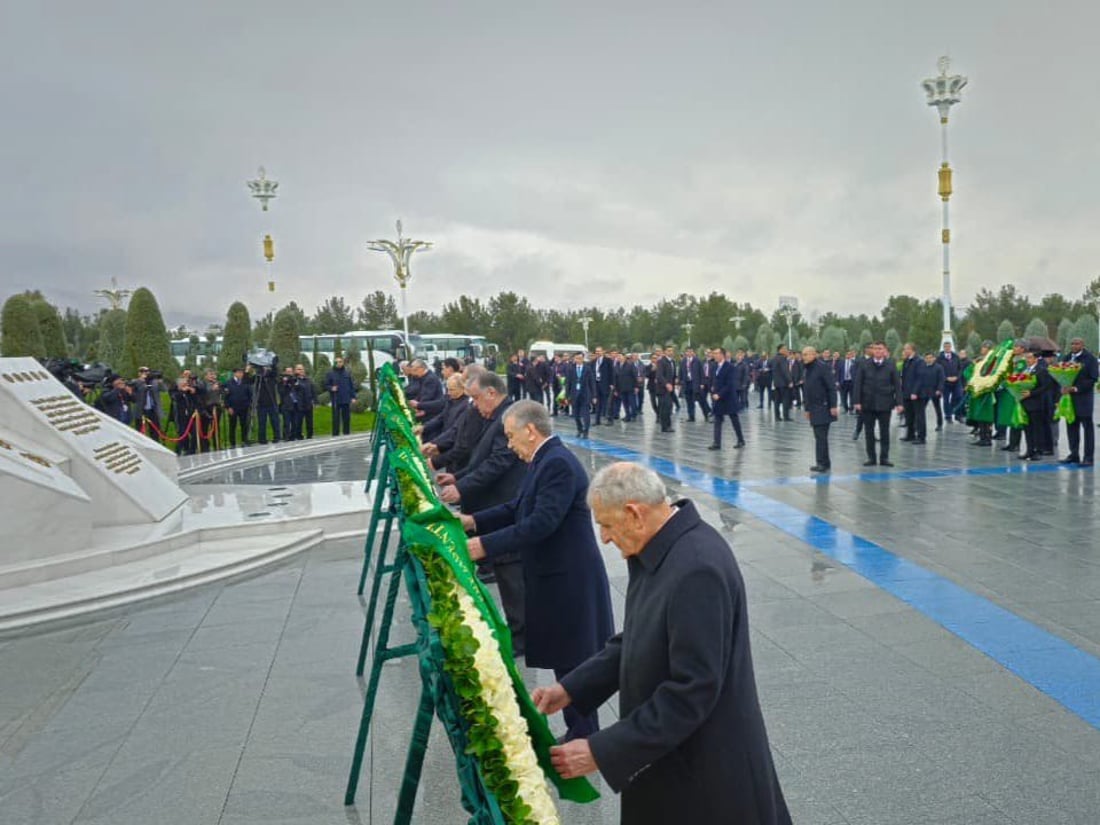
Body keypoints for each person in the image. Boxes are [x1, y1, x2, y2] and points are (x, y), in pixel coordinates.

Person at [534, 463, 791, 825]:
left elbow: (692, 690)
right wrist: (570, 688)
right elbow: (636, 638)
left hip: (705, 771)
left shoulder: (696, 568)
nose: (604, 538)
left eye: (606, 525)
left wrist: (601, 750)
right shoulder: (659, 548)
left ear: (634, 513)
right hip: (669, 753)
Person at [461, 401, 615, 740]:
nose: (510, 444)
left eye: (511, 436)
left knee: (575, 659)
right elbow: (518, 506)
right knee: (566, 657)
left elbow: (540, 523)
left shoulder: (557, 463)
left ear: (530, 431)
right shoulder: (543, 459)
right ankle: (579, 732)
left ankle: (583, 736)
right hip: (556, 577)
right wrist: (473, 521)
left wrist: (484, 546)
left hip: (571, 579)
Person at [436, 371, 527, 650]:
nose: (474, 404)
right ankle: (517, 628)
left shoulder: (507, 418)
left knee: (511, 571)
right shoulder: (494, 415)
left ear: (491, 393)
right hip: (492, 502)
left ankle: (522, 635)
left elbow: (498, 462)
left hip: (502, 500)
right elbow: (480, 457)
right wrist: (458, 477)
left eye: (476, 398)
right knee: (504, 568)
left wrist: (462, 487)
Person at [853, 341, 902, 467]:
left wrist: (899, 403)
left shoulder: (890, 365)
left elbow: (897, 385)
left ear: (884, 350)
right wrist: (857, 401)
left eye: (880, 349)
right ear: (872, 350)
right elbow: (858, 383)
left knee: (885, 432)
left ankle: (884, 457)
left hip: (885, 403)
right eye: (875, 349)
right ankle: (871, 458)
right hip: (867, 403)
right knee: (869, 432)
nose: (877, 351)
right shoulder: (864, 364)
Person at [1061, 337, 1098, 467]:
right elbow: (1060, 373)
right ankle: (1074, 455)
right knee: (1071, 427)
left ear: (1083, 345)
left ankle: (1088, 458)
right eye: (1072, 343)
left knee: (1087, 429)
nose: (1074, 345)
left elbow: (1093, 378)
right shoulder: (1066, 358)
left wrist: (1076, 388)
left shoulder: (1090, 359)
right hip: (1069, 400)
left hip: (1083, 400)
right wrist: (1063, 387)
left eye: (1077, 343)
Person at [801, 346, 839, 473]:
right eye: (803, 354)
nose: (804, 357)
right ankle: (822, 462)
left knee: (821, 436)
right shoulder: (807, 369)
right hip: (813, 407)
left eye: (806, 354)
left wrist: (833, 405)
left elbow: (831, 387)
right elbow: (806, 390)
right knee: (818, 436)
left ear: (814, 355)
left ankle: (823, 463)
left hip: (823, 406)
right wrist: (807, 409)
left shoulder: (822, 367)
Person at [1019, 350, 1055, 460]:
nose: (1027, 360)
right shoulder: (1025, 370)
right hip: (1026, 403)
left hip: (1037, 404)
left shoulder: (1041, 370)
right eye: (1026, 358)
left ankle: (1038, 451)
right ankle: (1029, 450)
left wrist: (1031, 393)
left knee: (1037, 428)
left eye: (1029, 358)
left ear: (1035, 359)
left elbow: (1045, 387)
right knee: (1027, 428)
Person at [707, 347, 745, 451]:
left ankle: (740, 439)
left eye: (716, 353)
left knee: (734, 418)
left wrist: (719, 394)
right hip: (717, 398)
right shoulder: (713, 366)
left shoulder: (730, 367)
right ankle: (716, 443)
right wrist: (712, 390)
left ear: (722, 355)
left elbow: (730, 384)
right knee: (717, 419)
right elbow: (712, 380)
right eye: (713, 353)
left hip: (728, 397)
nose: (714, 355)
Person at [900, 343, 927, 445]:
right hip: (907, 393)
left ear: (912, 350)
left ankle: (921, 437)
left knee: (919, 416)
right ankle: (910, 435)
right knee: (909, 415)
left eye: (906, 349)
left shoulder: (919, 361)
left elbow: (920, 378)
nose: (904, 351)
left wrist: (915, 392)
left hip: (917, 394)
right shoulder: (906, 361)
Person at [567, 352, 597, 438]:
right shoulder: (571, 369)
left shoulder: (587, 369)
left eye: (580, 358)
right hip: (574, 394)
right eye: (576, 358)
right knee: (576, 415)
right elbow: (568, 383)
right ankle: (579, 429)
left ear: (583, 359)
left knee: (586, 414)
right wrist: (567, 395)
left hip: (585, 394)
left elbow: (592, 383)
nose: (578, 360)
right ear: (574, 359)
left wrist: (594, 396)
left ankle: (586, 431)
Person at [325, 356, 356, 437]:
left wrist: (353, 397)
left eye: (340, 362)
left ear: (343, 363)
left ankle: (346, 433)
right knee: (336, 418)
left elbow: (351, 385)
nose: (338, 363)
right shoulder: (330, 373)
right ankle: (335, 434)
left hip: (346, 398)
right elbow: (326, 385)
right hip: (336, 399)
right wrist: (331, 388)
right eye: (336, 362)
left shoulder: (347, 373)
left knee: (346, 418)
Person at [132, 366, 164, 441]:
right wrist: (142, 381)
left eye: (147, 371)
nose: (146, 373)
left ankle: (155, 444)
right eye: (143, 371)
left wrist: (160, 381)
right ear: (139, 373)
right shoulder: (136, 382)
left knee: (155, 431)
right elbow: (134, 391)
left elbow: (164, 389)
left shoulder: (154, 382)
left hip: (153, 410)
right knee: (140, 431)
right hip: (141, 410)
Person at [224, 366, 252, 448]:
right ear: (235, 373)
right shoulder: (228, 383)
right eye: (239, 372)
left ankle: (244, 441)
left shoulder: (245, 382)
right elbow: (225, 397)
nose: (241, 374)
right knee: (232, 426)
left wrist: (249, 404)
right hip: (233, 408)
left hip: (244, 407)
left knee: (244, 425)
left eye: (242, 372)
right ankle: (232, 443)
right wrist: (228, 407)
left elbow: (250, 394)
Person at [937, 341, 963, 422]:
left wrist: (957, 377)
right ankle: (948, 416)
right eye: (946, 347)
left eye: (949, 346)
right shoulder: (940, 358)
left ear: (951, 347)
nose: (947, 348)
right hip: (946, 382)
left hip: (956, 381)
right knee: (946, 399)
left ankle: (957, 415)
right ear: (943, 347)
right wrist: (946, 378)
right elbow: (938, 370)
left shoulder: (956, 357)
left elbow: (960, 368)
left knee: (958, 397)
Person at [254, 365, 281, 444]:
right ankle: (262, 439)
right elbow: (247, 380)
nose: (264, 368)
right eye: (263, 367)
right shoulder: (257, 377)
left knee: (275, 421)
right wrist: (248, 371)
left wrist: (273, 365)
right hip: (261, 404)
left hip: (272, 403)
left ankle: (277, 437)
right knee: (262, 423)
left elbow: (275, 372)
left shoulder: (271, 375)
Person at [922, 352, 946, 432]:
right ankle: (918, 425)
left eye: (930, 357)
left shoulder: (939, 367)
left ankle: (939, 424)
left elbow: (941, 379)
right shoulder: (922, 367)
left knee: (937, 408)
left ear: (934, 358)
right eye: (927, 358)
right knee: (921, 409)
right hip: (924, 391)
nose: (929, 359)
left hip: (935, 391)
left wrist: (939, 389)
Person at [769, 345, 793, 421]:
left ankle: (777, 416)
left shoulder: (774, 358)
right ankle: (786, 416)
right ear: (781, 350)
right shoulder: (782, 358)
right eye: (785, 349)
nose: (787, 351)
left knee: (777, 400)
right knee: (786, 400)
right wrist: (790, 381)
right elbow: (785, 370)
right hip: (783, 383)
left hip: (776, 383)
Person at [678, 348, 702, 423]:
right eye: (688, 351)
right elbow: (680, 372)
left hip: (694, 383)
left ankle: (693, 415)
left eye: (691, 351)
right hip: (686, 383)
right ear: (686, 353)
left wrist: (701, 383)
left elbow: (701, 372)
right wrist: (679, 382)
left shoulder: (697, 361)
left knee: (693, 400)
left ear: (693, 352)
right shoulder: (683, 361)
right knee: (688, 400)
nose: (689, 353)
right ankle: (690, 416)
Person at [656, 346, 676, 433]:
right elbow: (659, 375)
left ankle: (668, 425)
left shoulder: (672, 361)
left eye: (672, 351)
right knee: (665, 407)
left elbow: (672, 374)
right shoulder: (661, 361)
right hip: (662, 389)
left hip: (670, 388)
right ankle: (665, 426)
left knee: (669, 407)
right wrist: (666, 384)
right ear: (665, 352)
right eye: (668, 351)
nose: (670, 352)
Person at [279, 366, 302, 441]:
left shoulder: (295, 380)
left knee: (295, 422)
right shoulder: (282, 382)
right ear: (285, 373)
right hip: (286, 405)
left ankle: (293, 436)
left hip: (295, 404)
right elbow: (281, 392)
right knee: (286, 422)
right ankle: (286, 436)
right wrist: (285, 383)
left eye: (290, 372)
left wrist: (295, 383)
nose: (289, 373)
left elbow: (299, 389)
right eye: (288, 372)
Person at [294, 363, 316, 439]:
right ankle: (299, 435)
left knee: (309, 421)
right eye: (299, 369)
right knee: (299, 421)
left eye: (302, 369)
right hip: (299, 404)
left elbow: (313, 390)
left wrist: (314, 400)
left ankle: (310, 434)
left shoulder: (308, 380)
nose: (301, 371)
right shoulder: (294, 380)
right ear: (295, 370)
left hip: (308, 403)